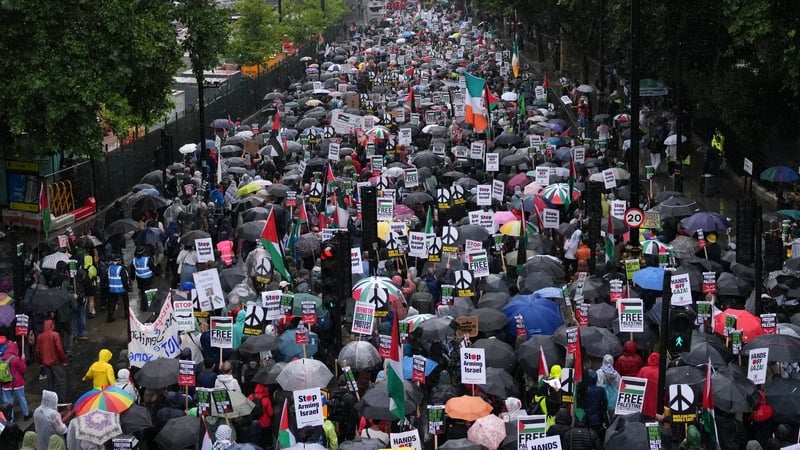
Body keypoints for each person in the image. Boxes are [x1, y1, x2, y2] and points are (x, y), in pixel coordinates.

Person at [34, 320, 67, 401]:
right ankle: (61, 399)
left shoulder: (40, 337)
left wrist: (40, 362)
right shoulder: (55, 335)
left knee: (50, 383)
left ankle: (51, 400)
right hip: (56, 362)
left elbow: (37, 351)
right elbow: (59, 349)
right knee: (61, 381)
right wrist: (64, 359)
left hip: (46, 363)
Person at [1, 341, 30, 421]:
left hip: (5, 384)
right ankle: (26, 414)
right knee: (21, 398)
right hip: (18, 383)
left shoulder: (1, 358)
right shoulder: (16, 359)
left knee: (7, 402)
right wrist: (23, 360)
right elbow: (23, 369)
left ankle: (10, 419)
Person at [247, 383, 274, 449]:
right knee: (265, 441)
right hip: (265, 424)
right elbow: (270, 413)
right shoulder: (266, 399)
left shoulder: (251, 396)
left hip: (253, 422)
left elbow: (246, 408)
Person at [105, 254, 130, 322]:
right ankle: (127, 315)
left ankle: (110, 316)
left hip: (112, 289)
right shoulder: (121, 269)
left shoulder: (110, 268)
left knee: (112, 303)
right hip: (122, 289)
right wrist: (127, 288)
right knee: (125, 302)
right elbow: (125, 280)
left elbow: (106, 278)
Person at [131, 245, 156, 312]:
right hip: (147, 278)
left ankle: (144, 305)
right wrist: (156, 273)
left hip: (139, 278)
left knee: (142, 291)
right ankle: (145, 306)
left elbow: (132, 270)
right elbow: (153, 268)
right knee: (146, 291)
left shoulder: (134, 260)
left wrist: (132, 278)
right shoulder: (147, 260)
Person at [637, 351, 661, 418]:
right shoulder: (661, 372)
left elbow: (637, 385)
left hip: (644, 402)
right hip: (656, 402)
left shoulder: (643, 370)